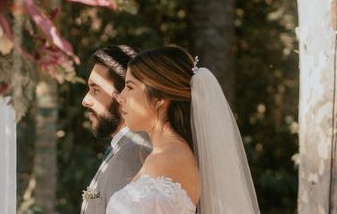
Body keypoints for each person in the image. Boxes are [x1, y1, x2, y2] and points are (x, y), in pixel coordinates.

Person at [107, 46, 260, 214]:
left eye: (130, 87)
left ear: (160, 98)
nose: (120, 97)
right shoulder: (171, 153)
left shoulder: (168, 159)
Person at [80, 45, 151, 214]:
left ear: (124, 95)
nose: (85, 100)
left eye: (96, 90)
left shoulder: (133, 153)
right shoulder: (123, 149)